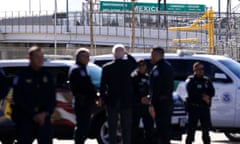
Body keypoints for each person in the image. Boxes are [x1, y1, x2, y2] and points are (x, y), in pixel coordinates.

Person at [12, 46, 56, 144]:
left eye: (42, 57)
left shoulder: (47, 76)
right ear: (30, 58)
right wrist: (33, 114)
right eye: (37, 57)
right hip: (25, 119)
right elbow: (17, 98)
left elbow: (52, 98)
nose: (40, 59)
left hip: (44, 119)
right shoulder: (22, 75)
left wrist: (45, 113)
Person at [100, 44, 136, 144]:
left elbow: (102, 86)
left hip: (112, 101)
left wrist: (104, 99)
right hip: (126, 101)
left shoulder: (107, 67)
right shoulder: (128, 65)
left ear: (113, 54)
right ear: (123, 53)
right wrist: (127, 53)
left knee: (112, 127)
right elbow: (134, 63)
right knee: (126, 128)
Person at [68, 48, 98, 144]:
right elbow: (82, 86)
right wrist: (92, 94)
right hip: (82, 103)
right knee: (81, 127)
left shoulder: (83, 69)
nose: (88, 59)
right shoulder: (77, 69)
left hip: (86, 103)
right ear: (80, 57)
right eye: (86, 57)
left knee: (84, 127)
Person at [185, 61, 215, 144]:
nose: (201, 71)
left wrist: (208, 97)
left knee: (206, 131)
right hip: (194, 108)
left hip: (204, 108)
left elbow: (212, 91)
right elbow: (191, 93)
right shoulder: (191, 80)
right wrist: (202, 97)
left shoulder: (206, 80)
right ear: (194, 69)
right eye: (198, 69)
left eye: (202, 69)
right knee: (191, 131)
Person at [149, 46, 174, 144]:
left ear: (158, 55)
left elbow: (156, 88)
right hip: (166, 102)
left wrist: (152, 103)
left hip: (161, 103)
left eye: (152, 55)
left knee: (162, 129)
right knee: (165, 129)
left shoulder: (159, 69)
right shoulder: (167, 66)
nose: (151, 57)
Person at [131, 59, 154, 144]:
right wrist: (139, 99)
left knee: (149, 127)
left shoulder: (148, 77)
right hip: (136, 106)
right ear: (137, 67)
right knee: (134, 127)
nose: (142, 67)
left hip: (146, 106)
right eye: (140, 65)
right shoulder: (133, 77)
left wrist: (149, 98)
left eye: (143, 65)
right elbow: (131, 92)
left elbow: (152, 90)